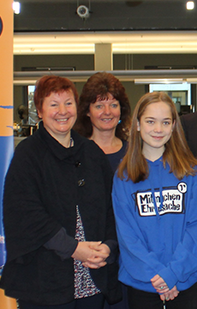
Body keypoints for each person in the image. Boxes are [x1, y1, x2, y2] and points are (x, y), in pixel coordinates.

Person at [0, 75, 121, 308]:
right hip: (45, 281)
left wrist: (108, 246)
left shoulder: (91, 153)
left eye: (68, 103)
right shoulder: (28, 155)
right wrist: (74, 249)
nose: (62, 111)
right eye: (53, 104)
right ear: (40, 110)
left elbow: (110, 207)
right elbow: (26, 214)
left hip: (92, 277)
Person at [112, 92, 197, 309]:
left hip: (185, 280)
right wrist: (160, 277)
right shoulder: (124, 176)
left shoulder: (191, 172)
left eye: (165, 122)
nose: (158, 129)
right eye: (150, 121)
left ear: (173, 126)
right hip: (144, 282)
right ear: (138, 125)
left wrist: (173, 273)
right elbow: (128, 236)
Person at [75, 72, 131, 171]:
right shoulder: (77, 152)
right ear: (87, 111)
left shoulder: (132, 152)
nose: (107, 112)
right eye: (99, 106)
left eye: (113, 105)